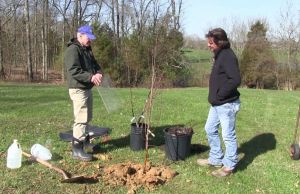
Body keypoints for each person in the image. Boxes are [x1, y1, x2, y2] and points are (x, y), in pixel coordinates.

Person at [197, 28, 241, 177]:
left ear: (220, 42)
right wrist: (216, 97)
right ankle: (216, 158)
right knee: (209, 128)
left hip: (226, 103)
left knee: (228, 135)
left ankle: (229, 165)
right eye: (208, 42)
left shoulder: (227, 56)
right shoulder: (220, 54)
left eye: (211, 43)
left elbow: (235, 79)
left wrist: (221, 95)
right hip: (217, 104)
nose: (208, 45)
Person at [64, 25, 102, 161]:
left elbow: (94, 64)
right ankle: (77, 150)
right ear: (80, 35)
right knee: (80, 119)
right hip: (78, 88)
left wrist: (98, 72)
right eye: (88, 38)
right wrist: (91, 77)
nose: (90, 41)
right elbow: (74, 70)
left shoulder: (86, 49)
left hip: (87, 88)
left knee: (87, 117)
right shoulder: (72, 50)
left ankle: (85, 142)